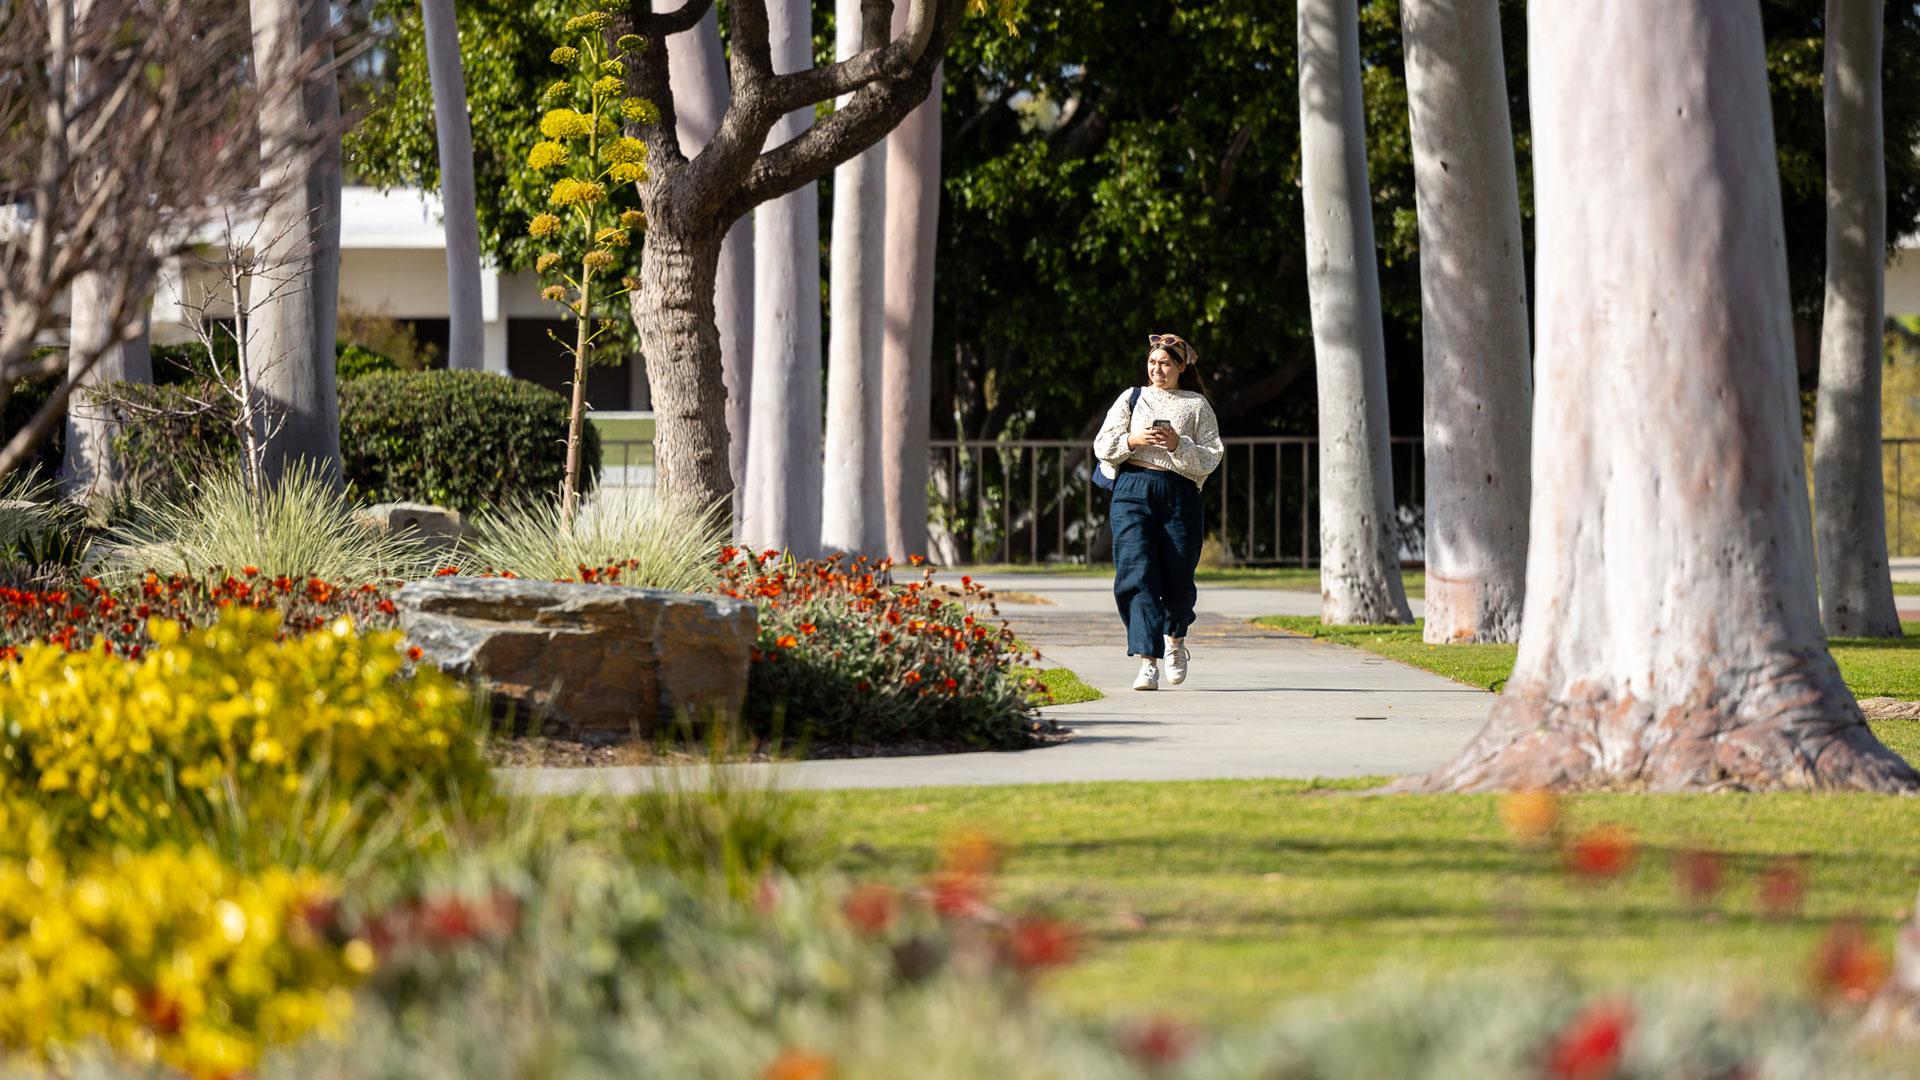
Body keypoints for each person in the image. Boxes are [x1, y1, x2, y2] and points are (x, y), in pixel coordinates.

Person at [1093, 332, 1224, 690]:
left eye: (1165, 363)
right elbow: (1102, 445)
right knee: (1136, 573)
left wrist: (1178, 444)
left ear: (1181, 367)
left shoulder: (1196, 406)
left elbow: (1211, 457)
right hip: (1132, 490)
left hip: (1179, 493)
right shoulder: (1131, 398)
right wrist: (1133, 441)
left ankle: (1175, 640)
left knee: (1179, 577)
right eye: (1152, 362)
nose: (1157, 369)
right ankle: (1146, 660)